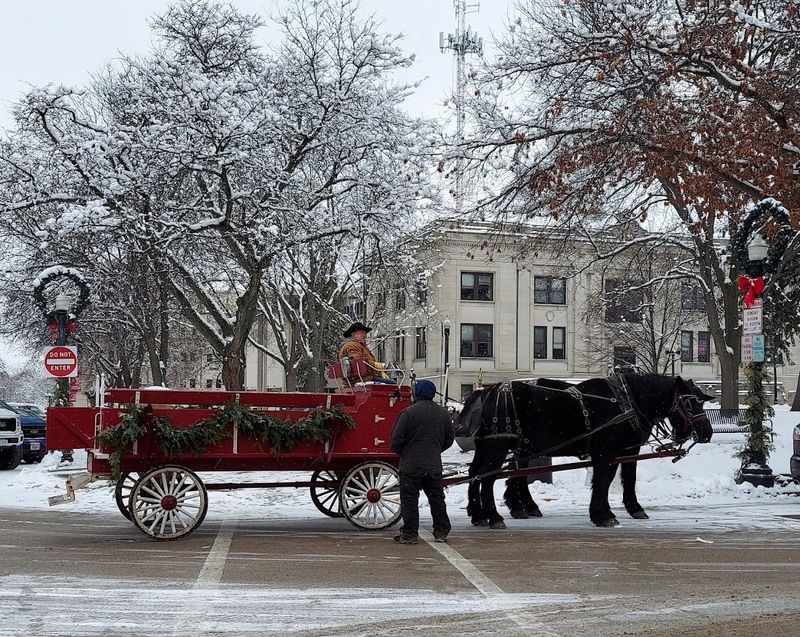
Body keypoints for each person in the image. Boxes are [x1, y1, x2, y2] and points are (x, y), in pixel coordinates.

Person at [390, 379, 454, 544]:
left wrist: (406, 453)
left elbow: (396, 441)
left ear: (416, 393)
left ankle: (410, 533)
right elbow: (449, 439)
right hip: (433, 464)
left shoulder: (408, 413)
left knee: (410, 499)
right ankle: (441, 530)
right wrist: (434, 450)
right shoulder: (443, 413)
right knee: (437, 498)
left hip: (411, 465)